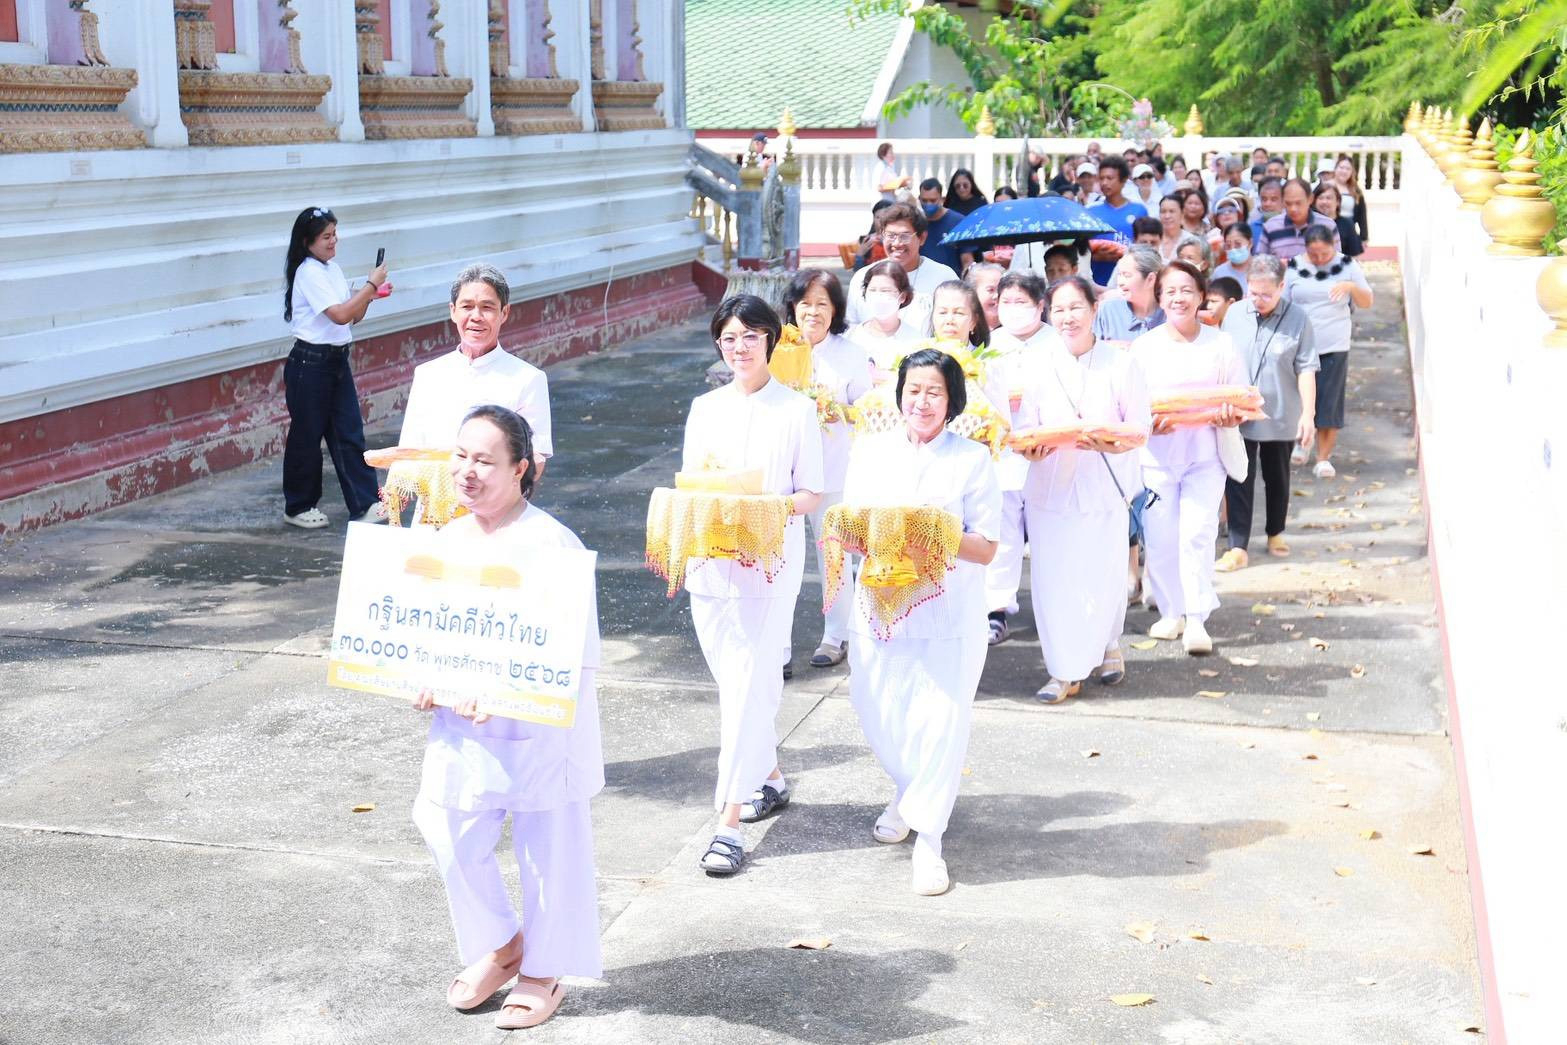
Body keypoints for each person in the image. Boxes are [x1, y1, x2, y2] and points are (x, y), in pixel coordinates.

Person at [411, 405, 602, 1031]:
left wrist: (508, 692)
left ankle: (543, 972)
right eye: (460, 456)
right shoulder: (447, 539)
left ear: (521, 469)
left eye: (484, 461)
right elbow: (425, 632)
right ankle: (502, 944)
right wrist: (419, 676)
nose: (467, 471)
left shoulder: (552, 545)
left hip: (538, 725)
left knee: (547, 847)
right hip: (460, 719)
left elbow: (572, 651)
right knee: (444, 825)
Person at [841, 347, 1000, 895]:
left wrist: (931, 529)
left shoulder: (972, 460)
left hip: (947, 612)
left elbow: (986, 547)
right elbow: (851, 529)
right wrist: (878, 534)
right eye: (914, 390)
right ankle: (908, 791)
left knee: (941, 720)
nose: (923, 401)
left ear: (952, 400)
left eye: (935, 392)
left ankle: (930, 839)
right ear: (899, 394)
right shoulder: (871, 451)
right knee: (879, 711)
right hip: (880, 605)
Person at [681, 295, 824, 876]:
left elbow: (810, 492)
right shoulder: (704, 408)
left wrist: (767, 509)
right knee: (741, 684)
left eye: (749, 336)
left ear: (770, 339)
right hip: (711, 566)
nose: (738, 347)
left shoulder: (796, 410)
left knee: (744, 690)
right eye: (728, 338)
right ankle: (771, 777)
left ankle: (729, 824)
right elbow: (692, 484)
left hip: (767, 567)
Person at [1015, 276, 1151, 703]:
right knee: (1053, 581)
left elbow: (1140, 427)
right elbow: (1025, 427)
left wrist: (1110, 442)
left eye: (1076, 307)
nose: (1067, 317)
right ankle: (1064, 670)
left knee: (1102, 575)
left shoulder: (1121, 363)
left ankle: (1108, 644)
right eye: (1058, 309)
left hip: (1103, 487)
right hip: (1049, 489)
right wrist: (1032, 450)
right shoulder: (1037, 364)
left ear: (1094, 310)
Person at [1130, 261, 1246, 656]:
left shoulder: (1221, 344)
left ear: (1201, 296)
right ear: (1159, 298)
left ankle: (1196, 618)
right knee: (1161, 538)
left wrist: (1231, 415)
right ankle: (1171, 611)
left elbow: (1241, 395)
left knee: (1197, 534)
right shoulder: (1144, 348)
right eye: (1170, 291)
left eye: (1186, 290)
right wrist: (1149, 425)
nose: (1178, 298)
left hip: (1205, 457)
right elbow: (1130, 405)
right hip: (1157, 460)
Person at [782, 270, 874, 671]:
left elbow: (869, 412)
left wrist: (836, 410)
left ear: (835, 309)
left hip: (833, 470)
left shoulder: (851, 354)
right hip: (784, 475)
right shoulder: (777, 348)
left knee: (833, 556)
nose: (813, 312)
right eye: (805, 303)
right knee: (779, 558)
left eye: (822, 303)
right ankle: (777, 645)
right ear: (793, 307)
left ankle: (836, 636)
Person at [280, 205, 389, 530]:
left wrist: (370, 295)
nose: (333, 241)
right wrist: (369, 287)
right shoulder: (308, 272)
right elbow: (339, 315)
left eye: (335, 234)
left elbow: (353, 315)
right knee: (307, 437)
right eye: (326, 237)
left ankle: (365, 503)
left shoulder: (332, 269)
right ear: (307, 242)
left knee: (349, 434)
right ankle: (298, 506)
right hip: (310, 363)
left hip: (337, 361)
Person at [400, 264, 553, 487]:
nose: (476, 317)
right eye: (467, 306)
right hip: (433, 503)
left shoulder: (528, 379)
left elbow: (535, 460)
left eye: (487, 307)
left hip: (495, 503)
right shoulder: (428, 375)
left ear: (504, 313)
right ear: (453, 311)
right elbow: (408, 454)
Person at [1216, 255, 1318, 572]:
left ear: (1282, 287)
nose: (1258, 300)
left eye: (1267, 295)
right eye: (1253, 292)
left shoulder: (1298, 319)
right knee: (1238, 476)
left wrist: (1308, 414)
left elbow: (1306, 368)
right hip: (1239, 413)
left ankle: (1275, 532)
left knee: (1277, 476)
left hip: (1281, 412)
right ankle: (1237, 546)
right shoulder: (1234, 314)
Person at [982, 271, 1062, 645]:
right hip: (1002, 453)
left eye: (1022, 302)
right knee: (1003, 534)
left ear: (1040, 305)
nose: (1013, 309)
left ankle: (1055, 610)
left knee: (1050, 532)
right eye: (1006, 302)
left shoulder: (1057, 343)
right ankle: (996, 609)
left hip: (1049, 451)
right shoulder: (989, 344)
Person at [1286, 224, 1373, 479]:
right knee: (1300, 399)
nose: (1320, 259)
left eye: (1324, 253)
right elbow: (1283, 302)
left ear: (1333, 246)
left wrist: (1351, 288)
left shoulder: (1347, 265)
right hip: (1300, 344)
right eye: (1314, 254)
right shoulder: (1294, 266)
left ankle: (1323, 458)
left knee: (1329, 402)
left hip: (1334, 343)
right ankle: (1302, 441)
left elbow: (1367, 301)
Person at [845, 203, 958, 329]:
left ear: (922, 238)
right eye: (891, 236)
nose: (897, 243)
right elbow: (851, 327)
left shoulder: (944, 277)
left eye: (905, 236)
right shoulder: (862, 277)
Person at [849, 259, 923, 380]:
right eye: (872, 290)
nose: (878, 296)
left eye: (885, 291)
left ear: (903, 296)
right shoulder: (852, 336)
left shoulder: (916, 340)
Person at [1086, 156, 1146, 286]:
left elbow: (1146, 248)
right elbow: (1081, 250)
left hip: (1131, 284)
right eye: (1101, 178)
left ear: (1123, 180)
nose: (1104, 183)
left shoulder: (1139, 210)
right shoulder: (1090, 211)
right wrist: (1095, 256)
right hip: (1097, 283)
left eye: (1109, 178)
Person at [1093, 245, 1165, 346]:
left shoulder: (1169, 313)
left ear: (1151, 279)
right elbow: (1090, 350)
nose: (1120, 282)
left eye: (1127, 275)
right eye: (1119, 274)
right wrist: (1109, 347)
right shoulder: (1107, 310)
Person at [1257, 178, 1340, 261]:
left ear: (1310, 199)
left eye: (1298, 203)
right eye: (1288, 203)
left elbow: (1337, 261)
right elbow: (1260, 262)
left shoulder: (1328, 225)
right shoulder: (1271, 226)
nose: (1293, 209)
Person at [917, 178, 966, 273]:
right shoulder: (916, 222)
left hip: (951, 279)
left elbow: (967, 260)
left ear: (941, 199)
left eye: (933, 200)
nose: (928, 204)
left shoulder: (958, 221)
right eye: (924, 200)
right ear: (919, 199)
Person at [1312, 183, 1364, 258]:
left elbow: (1354, 255)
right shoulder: (1308, 223)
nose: (1324, 202)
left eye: (1328, 198)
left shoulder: (1347, 224)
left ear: (1338, 202)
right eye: (1321, 198)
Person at [1332, 155, 1370, 247]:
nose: (1344, 171)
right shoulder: (1326, 187)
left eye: (1348, 169)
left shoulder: (1356, 191)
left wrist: (1364, 237)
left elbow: (1362, 215)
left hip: (1349, 235)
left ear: (1352, 172)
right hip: (1329, 234)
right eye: (1341, 167)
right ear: (1335, 169)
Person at [1211, 222, 1255, 295]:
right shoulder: (1219, 273)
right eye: (1228, 246)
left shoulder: (1263, 269)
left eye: (1238, 244)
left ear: (1250, 243)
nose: (1233, 249)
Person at [964, 261, 1005, 332]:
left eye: (1001, 289)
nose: (997, 295)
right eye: (990, 290)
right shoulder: (963, 330)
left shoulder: (1016, 330)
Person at [852, 200, 894, 271]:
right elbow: (857, 271)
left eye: (885, 217)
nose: (881, 221)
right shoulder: (866, 241)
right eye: (877, 217)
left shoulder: (897, 241)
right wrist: (859, 255)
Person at [1252, 178, 1284, 242]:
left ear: (1283, 201)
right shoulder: (1253, 227)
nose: (1267, 204)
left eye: (1273, 199)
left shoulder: (1292, 226)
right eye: (1264, 199)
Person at [1157, 194, 1187, 262]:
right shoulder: (1152, 239)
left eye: (1172, 211)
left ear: (1182, 213)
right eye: (1163, 211)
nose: (1167, 216)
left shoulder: (1190, 240)